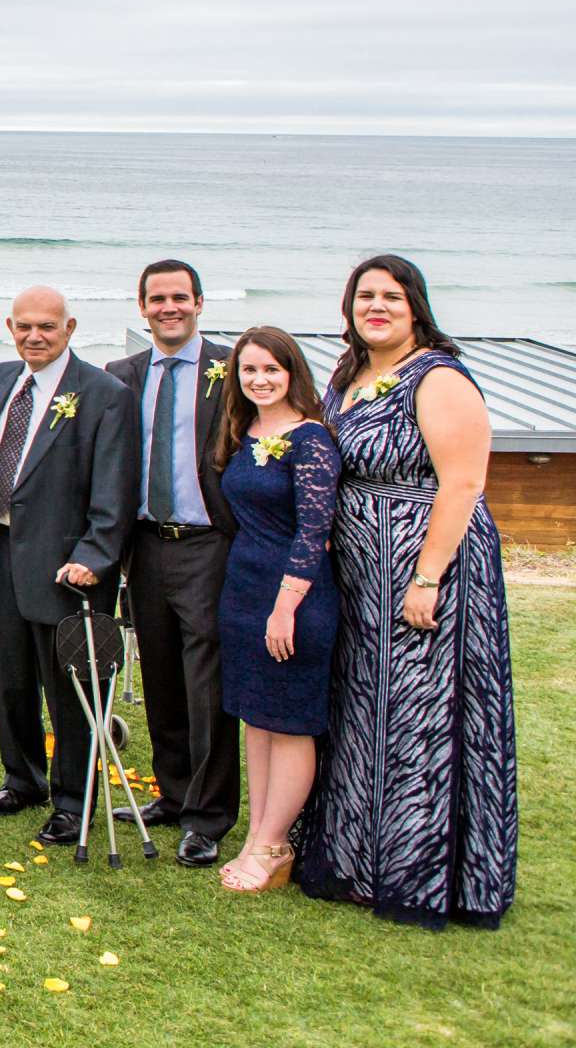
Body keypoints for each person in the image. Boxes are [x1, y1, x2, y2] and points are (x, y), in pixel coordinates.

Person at [300, 255, 517, 928]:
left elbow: (462, 483)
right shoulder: (350, 375)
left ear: (415, 306)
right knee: (365, 711)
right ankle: (358, 860)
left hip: (429, 568)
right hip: (362, 572)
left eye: (391, 296)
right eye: (365, 296)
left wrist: (428, 576)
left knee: (422, 716)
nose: (377, 306)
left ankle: (421, 873)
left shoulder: (438, 377)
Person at [0, 286, 140, 844]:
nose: (34, 336)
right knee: (12, 680)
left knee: (69, 690)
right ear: (10, 326)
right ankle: (22, 779)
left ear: (70, 328)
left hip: (68, 566)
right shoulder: (2, 379)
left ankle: (74, 800)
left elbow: (116, 489)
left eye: (46, 327)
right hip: (1, 553)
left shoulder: (104, 394)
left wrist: (94, 557)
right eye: (24, 327)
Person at [104, 260, 239, 867]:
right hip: (145, 542)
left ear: (200, 304)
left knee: (204, 681)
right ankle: (173, 792)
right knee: (157, 672)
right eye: (157, 299)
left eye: (180, 297)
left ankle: (208, 817)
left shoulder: (233, 370)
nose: (169, 308)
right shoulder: (121, 375)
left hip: (209, 543)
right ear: (142, 307)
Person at [209, 326, 338, 892]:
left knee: (288, 723)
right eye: (249, 371)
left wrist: (285, 607)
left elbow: (314, 531)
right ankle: (256, 837)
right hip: (244, 590)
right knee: (256, 721)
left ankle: (274, 844)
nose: (260, 380)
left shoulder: (310, 439)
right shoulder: (248, 431)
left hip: (293, 597)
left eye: (271, 370)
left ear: (293, 374)